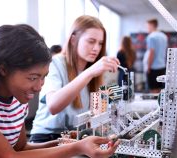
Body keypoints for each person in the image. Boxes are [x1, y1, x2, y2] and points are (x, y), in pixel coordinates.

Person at [0, 24, 119, 158]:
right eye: (33, 78)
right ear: (3, 68)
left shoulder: (17, 98)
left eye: (43, 77)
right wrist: (77, 148)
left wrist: (68, 142)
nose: (39, 86)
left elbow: (20, 149)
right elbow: (8, 157)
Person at [30, 15, 120, 143]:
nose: (96, 48)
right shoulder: (55, 63)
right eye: (91, 41)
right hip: (47, 138)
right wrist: (90, 72)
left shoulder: (93, 73)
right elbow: (53, 106)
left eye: (100, 43)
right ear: (73, 39)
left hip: (76, 137)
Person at [145, 18, 168, 93]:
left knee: (153, 90)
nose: (147, 28)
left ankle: (154, 105)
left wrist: (148, 67)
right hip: (162, 66)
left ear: (152, 25)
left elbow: (152, 52)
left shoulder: (151, 37)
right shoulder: (164, 36)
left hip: (153, 67)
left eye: (148, 26)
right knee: (159, 90)